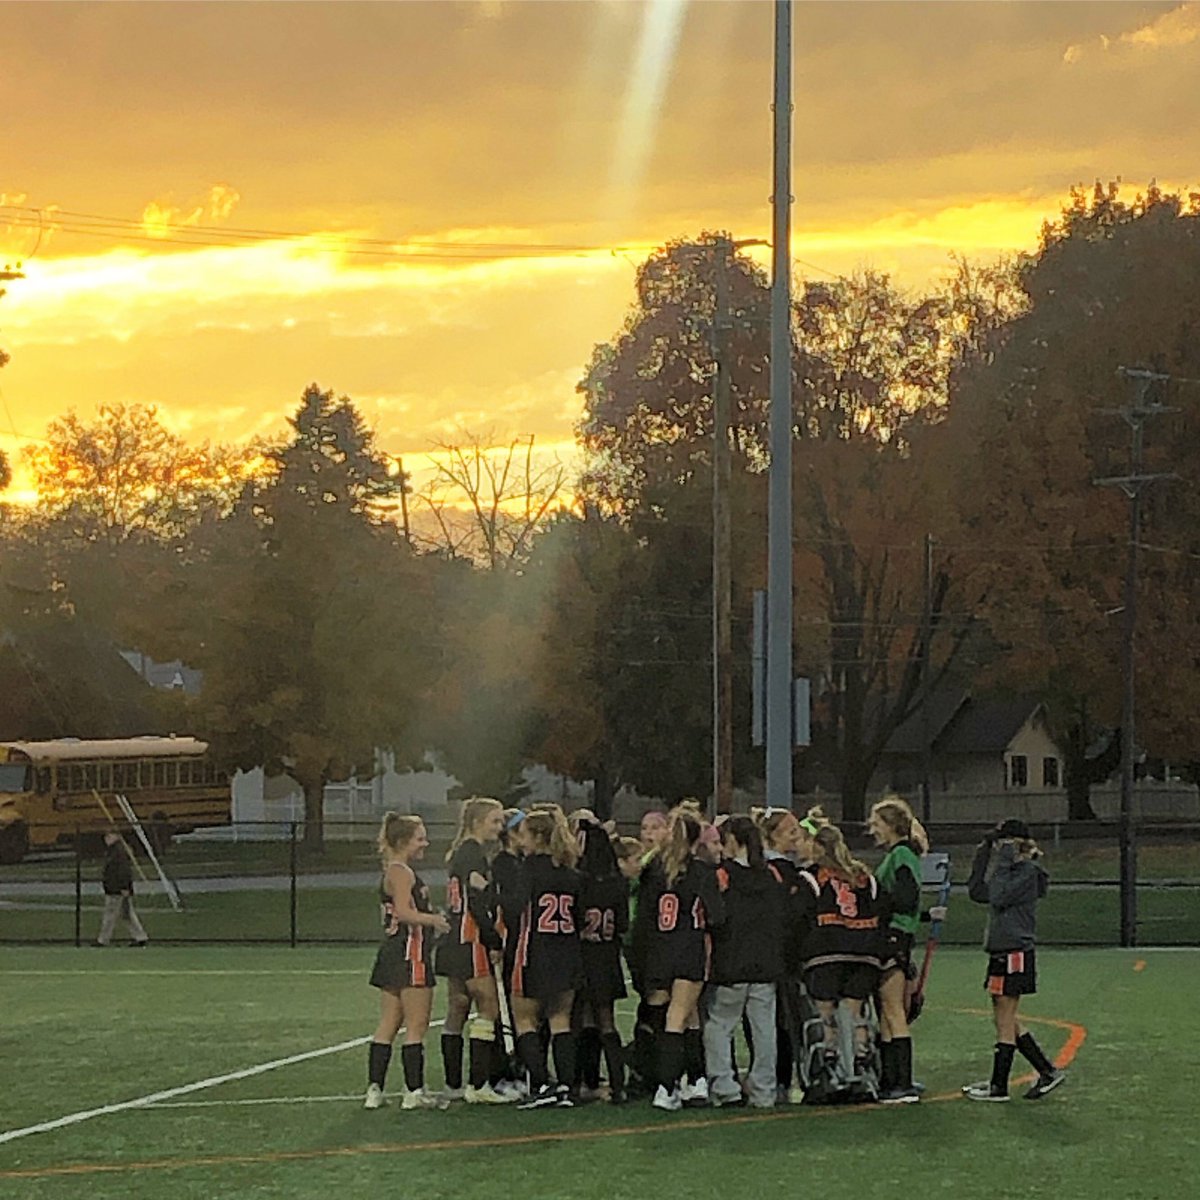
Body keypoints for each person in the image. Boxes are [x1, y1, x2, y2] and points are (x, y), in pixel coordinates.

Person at [963, 819, 1066, 1102]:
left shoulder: (1027, 872)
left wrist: (1007, 858)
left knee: (1005, 1018)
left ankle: (999, 1086)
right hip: (1001, 952)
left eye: (1002, 843)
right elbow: (977, 892)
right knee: (1003, 1017)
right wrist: (983, 852)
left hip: (1015, 953)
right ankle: (1046, 1071)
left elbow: (999, 896)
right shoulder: (1008, 872)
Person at [635, 807, 725, 1111]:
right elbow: (717, 915)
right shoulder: (701, 872)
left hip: (658, 950)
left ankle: (695, 1079)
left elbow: (644, 919)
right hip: (688, 949)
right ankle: (667, 1087)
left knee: (684, 1017)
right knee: (678, 1017)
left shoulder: (654, 869)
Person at [364, 813, 452, 1110]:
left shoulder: (394, 869)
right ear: (403, 841)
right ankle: (414, 1092)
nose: (425, 843)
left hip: (392, 952)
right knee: (416, 1025)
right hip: (409, 952)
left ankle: (375, 1090)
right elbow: (403, 912)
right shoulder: (401, 871)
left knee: (389, 1023)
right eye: (419, 838)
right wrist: (435, 920)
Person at [434, 796, 518, 1105]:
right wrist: (493, 939)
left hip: (452, 939)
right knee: (488, 1006)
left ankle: (453, 1084)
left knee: (457, 1007)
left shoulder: (458, 853)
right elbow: (477, 902)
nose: (499, 827)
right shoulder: (473, 855)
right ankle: (477, 1084)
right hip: (468, 938)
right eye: (495, 821)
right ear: (477, 822)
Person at [704, 816, 784, 1109]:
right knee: (764, 1029)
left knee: (719, 1026)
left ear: (733, 842)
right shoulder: (772, 875)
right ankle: (764, 1090)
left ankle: (725, 1087)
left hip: (731, 963)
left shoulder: (723, 876)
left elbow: (716, 918)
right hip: (765, 964)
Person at [508, 808, 584, 1109]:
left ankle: (541, 1084)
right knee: (560, 1019)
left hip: (534, 951)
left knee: (524, 1017)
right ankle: (566, 1086)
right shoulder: (571, 873)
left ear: (539, 836)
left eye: (525, 834)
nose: (522, 841)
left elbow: (516, 906)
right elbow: (579, 916)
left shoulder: (530, 867)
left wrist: (488, 893)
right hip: (567, 952)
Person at [795, 825, 886, 1075]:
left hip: (825, 952)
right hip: (865, 954)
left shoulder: (810, 877)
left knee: (826, 1012)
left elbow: (799, 917)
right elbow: (883, 910)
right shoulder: (865, 877)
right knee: (855, 1010)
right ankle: (861, 1060)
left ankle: (830, 1062)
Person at [868, 795, 930, 1104]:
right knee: (887, 1011)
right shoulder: (903, 855)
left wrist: (875, 901)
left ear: (892, 826)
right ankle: (890, 1079)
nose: (872, 829)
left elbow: (904, 899)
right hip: (898, 936)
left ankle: (901, 1083)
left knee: (893, 1010)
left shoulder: (901, 855)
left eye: (877, 823)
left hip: (894, 937)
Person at [573, 818, 630, 1103]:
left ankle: (583, 1081)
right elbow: (622, 925)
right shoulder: (618, 882)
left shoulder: (578, 881)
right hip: (608, 959)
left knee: (583, 1021)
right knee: (607, 1022)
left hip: (583, 957)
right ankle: (618, 1085)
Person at [753, 806, 806, 1104]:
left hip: (772, 955)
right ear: (772, 837)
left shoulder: (771, 868)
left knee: (771, 1021)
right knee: (778, 1021)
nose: (797, 837)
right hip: (778, 957)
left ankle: (774, 1080)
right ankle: (778, 1081)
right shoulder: (779, 872)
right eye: (791, 832)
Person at [95, 831, 148, 948]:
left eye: (109, 836)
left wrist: (124, 886)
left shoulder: (118, 852)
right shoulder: (115, 851)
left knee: (110, 914)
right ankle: (140, 936)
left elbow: (123, 871)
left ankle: (103, 939)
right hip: (117, 888)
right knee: (127, 913)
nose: (106, 839)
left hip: (116, 889)